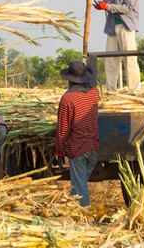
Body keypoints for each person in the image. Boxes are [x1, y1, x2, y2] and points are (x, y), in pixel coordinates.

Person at [93, 0, 141, 93]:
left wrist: (108, 6)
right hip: (112, 26)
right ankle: (111, 90)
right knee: (111, 60)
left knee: (130, 60)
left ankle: (134, 90)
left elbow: (127, 8)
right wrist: (103, 4)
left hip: (126, 27)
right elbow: (108, 1)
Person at [56, 61, 100, 208]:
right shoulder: (94, 93)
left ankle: (84, 219)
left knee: (79, 190)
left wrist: (60, 149)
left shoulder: (68, 98)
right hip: (94, 147)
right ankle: (77, 211)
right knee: (80, 185)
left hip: (78, 149)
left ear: (69, 79)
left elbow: (63, 128)